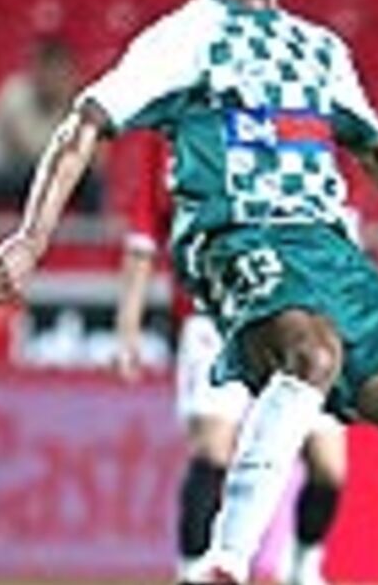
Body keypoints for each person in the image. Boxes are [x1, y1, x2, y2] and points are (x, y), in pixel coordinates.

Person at [0, 0, 378, 583]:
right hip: (238, 234)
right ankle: (226, 562)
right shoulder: (185, 38)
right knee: (311, 354)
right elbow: (84, 125)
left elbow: (375, 146)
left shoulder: (321, 49)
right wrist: (31, 237)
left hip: (328, 247)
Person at [110, 132, 344, 585]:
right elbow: (143, 238)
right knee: (212, 451)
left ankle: (303, 567)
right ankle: (190, 572)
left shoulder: (295, 123)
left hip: (298, 320)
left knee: (328, 468)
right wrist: (127, 330)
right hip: (212, 319)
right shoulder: (175, 136)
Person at [0, 37, 103, 212]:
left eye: (60, 72)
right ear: (37, 70)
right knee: (44, 176)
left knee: (90, 182)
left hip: (32, 174)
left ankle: (89, 230)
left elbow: (96, 161)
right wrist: (66, 106)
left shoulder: (73, 101)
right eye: (50, 70)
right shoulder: (15, 93)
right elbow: (34, 150)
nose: (54, 78)